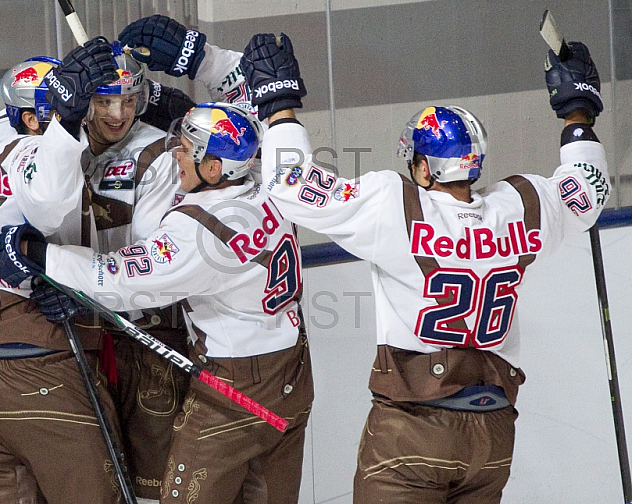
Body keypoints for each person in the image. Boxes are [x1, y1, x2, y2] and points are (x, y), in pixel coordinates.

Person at [239, 32, 610, 503]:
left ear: (422, 167)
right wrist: (578, 112)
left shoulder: (395, 204)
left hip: (412, 430)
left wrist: (280, 106)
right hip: (492, 434)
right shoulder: (522, 204)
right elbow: (590, 189)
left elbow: (289, 184)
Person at [0, 100, 315, 504]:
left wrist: (38, 255)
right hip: (294, 372)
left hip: (235, 388)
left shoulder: (199, 230)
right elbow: (291, 144)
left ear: (215, 169)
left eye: (187, 149)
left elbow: (119, 279)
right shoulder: (276, 183)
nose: (175, 153)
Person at [0, 40, 129, 504]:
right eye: (63, 108)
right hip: (40, 367)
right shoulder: (27, 155)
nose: (87, 115)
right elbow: (50, 207)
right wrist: (66, 119)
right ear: (33, 120)